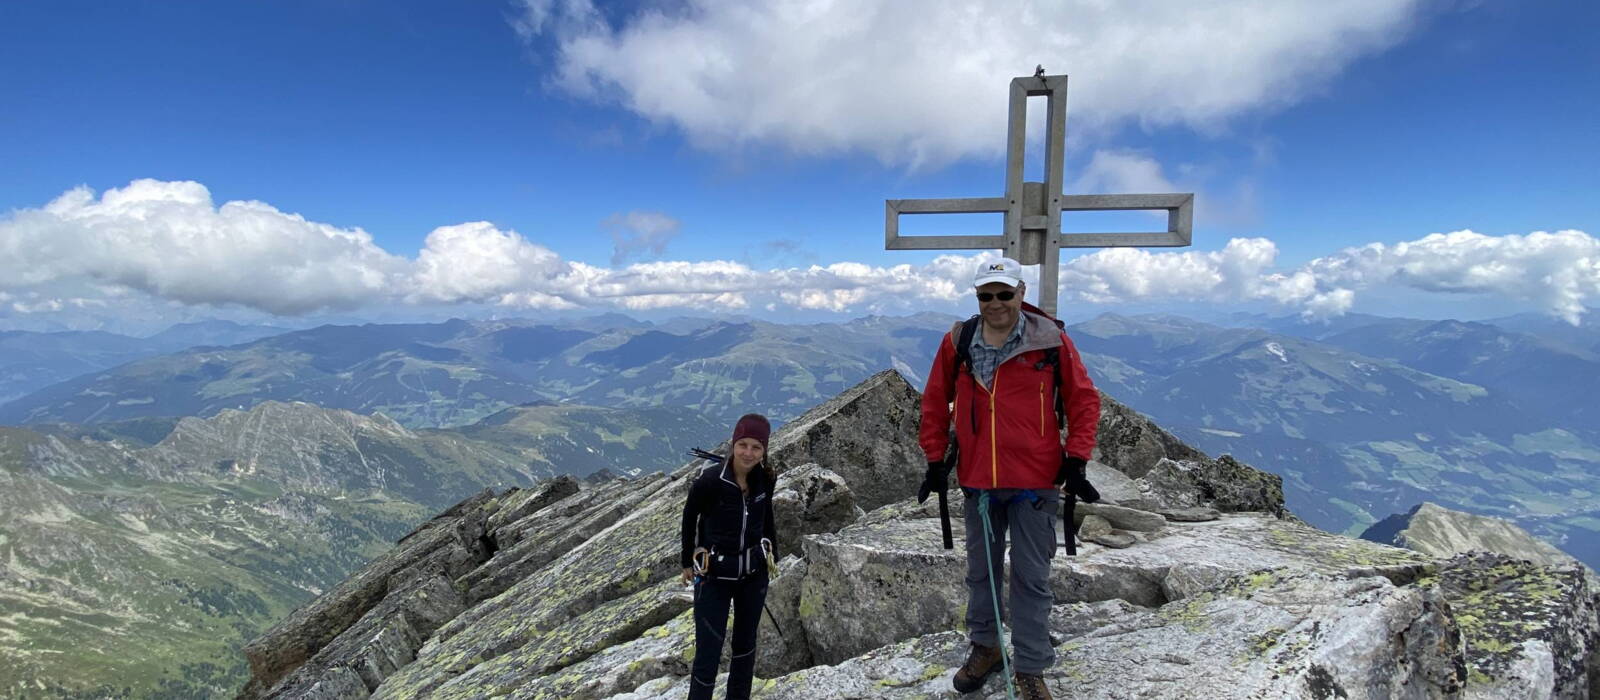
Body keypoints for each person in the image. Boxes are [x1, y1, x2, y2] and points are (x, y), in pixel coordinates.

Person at [917, 257, 1100, 700]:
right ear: (976, 297)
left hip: (1035, 481)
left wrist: (1075, 460)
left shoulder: (1051, 341)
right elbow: (935, 400)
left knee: (1030, 577)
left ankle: (1032, 666)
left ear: (1020, 292)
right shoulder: (958, 341)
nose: (995, 303)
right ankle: (986, 647)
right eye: (986, 295)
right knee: (980, 574)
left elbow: (1083, 400)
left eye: (1004, 294)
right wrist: (936, 460)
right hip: (979, 480)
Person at [680, 413, 778, 700]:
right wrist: (687, 561)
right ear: (733, 444)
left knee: (745, 647)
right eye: (743, 444)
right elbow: (689, 518)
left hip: (753, 574)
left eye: (756, 447)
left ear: (764, 450)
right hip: (714, 577)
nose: (748, 453)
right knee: (708, 653)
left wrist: (774, 553)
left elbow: (767, 517)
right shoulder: (709, 481)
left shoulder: (765, 478)